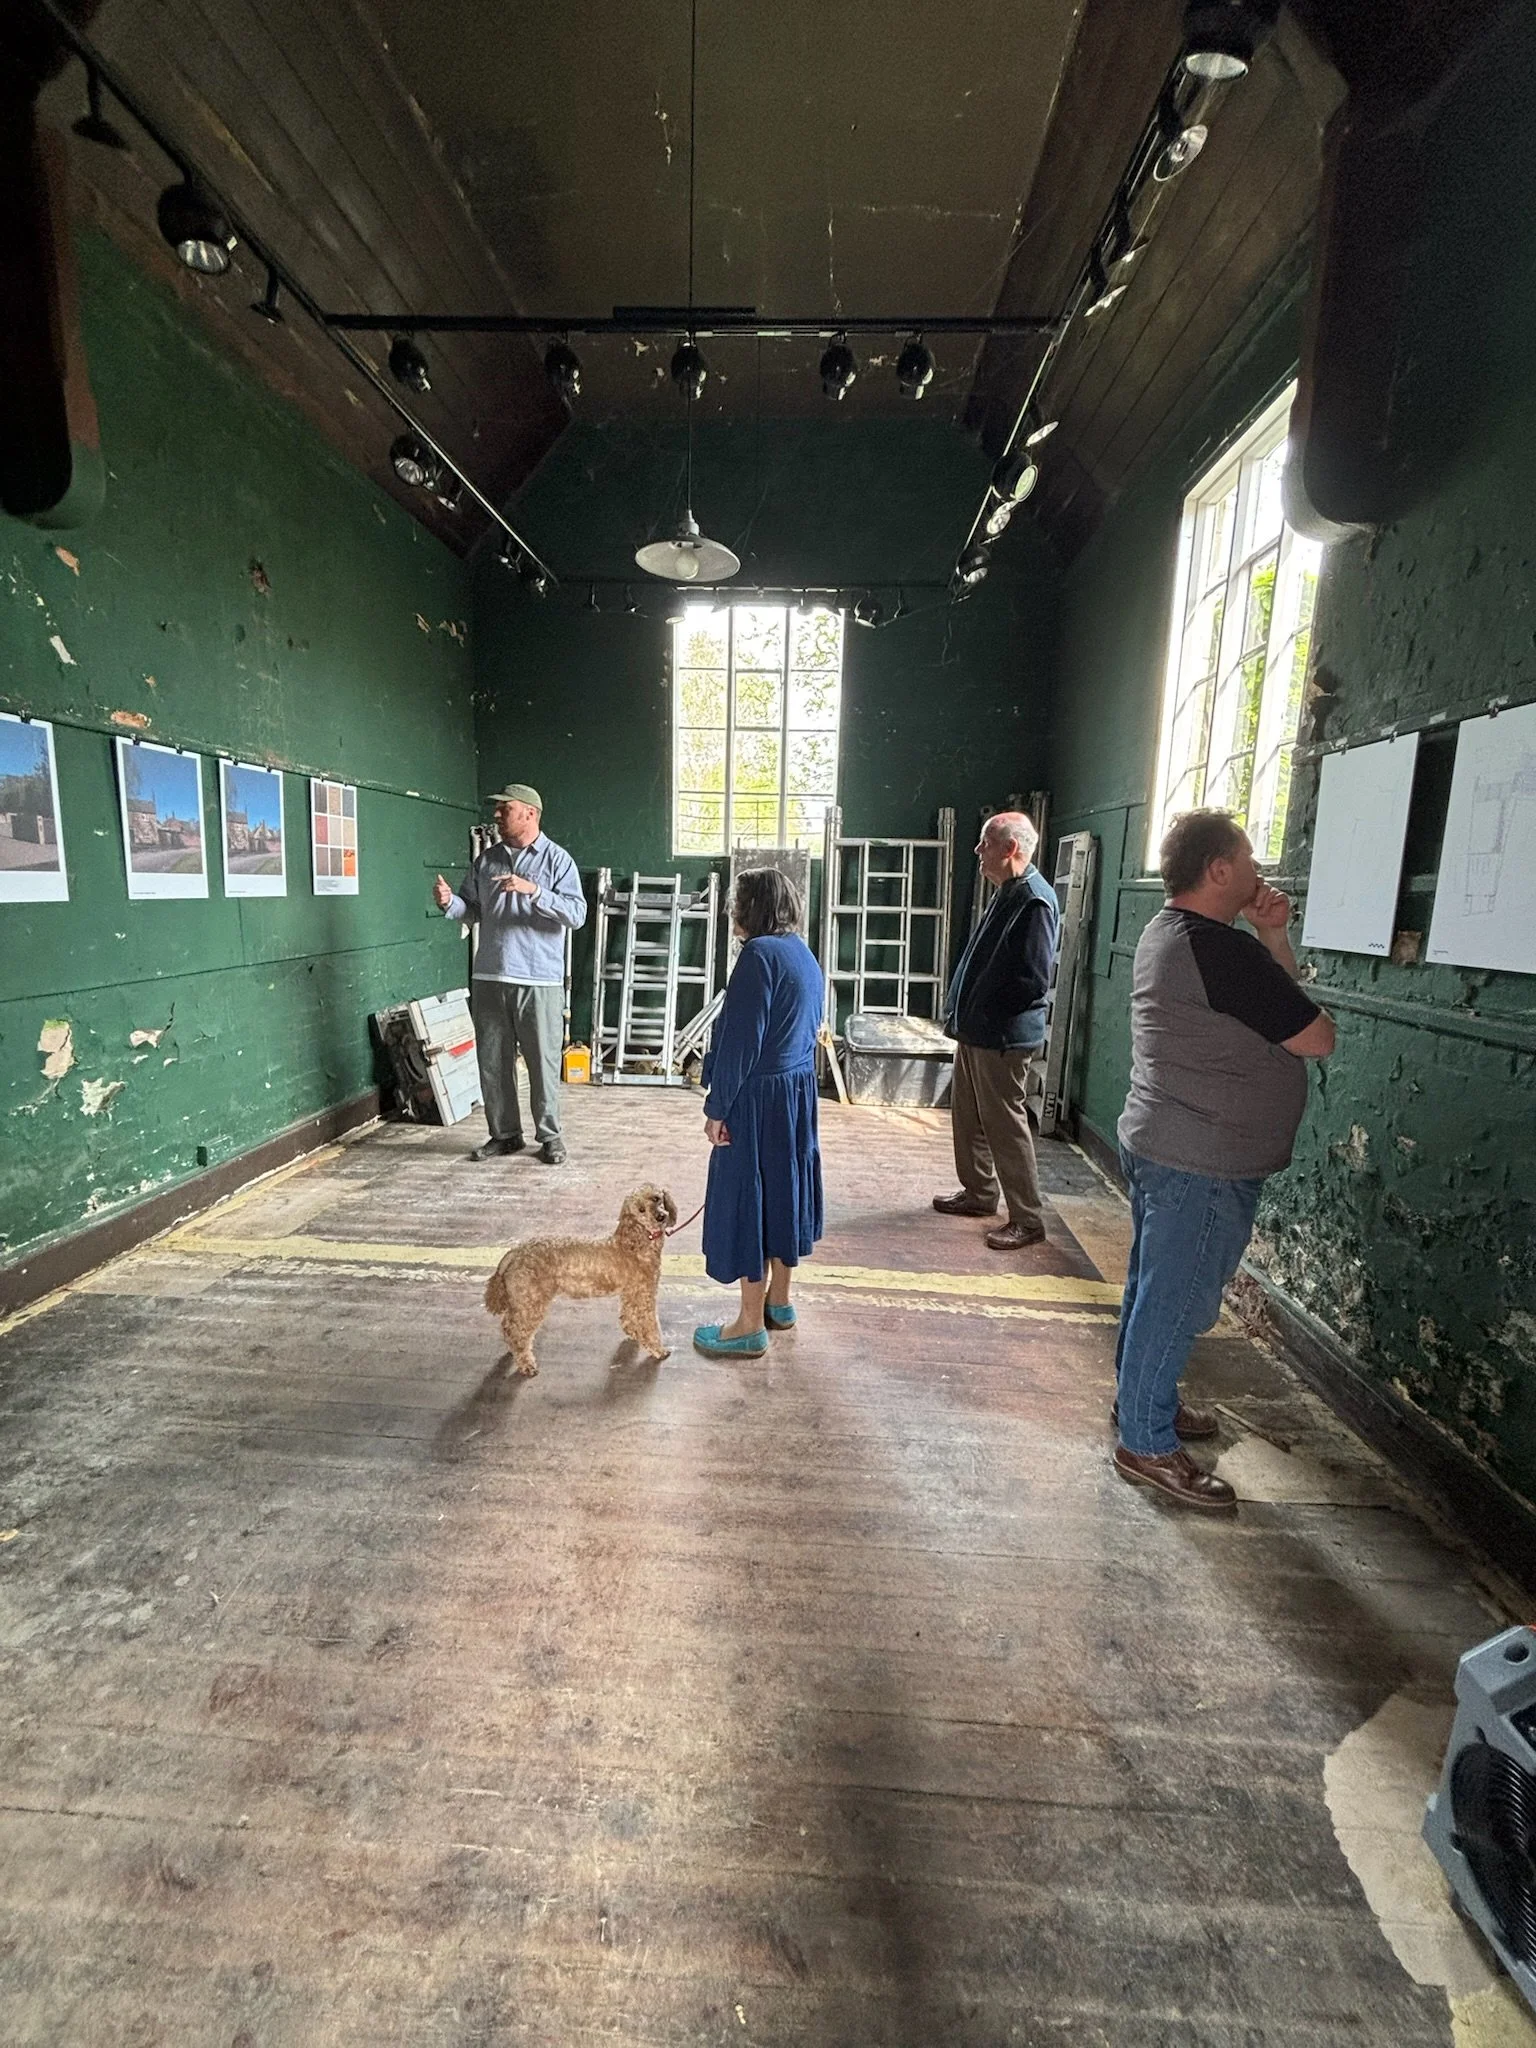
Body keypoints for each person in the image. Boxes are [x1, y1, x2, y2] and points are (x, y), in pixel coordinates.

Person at [1113, 809, 1336, 1510]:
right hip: (1201, 1160)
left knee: (1154, 1288)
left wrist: (1270, 934)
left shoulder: (1172, 933)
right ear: (1218, 870)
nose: (1257, 871)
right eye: (1246, 858)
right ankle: (1146, 1443)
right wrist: (1269, 941)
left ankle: (1142, 1404)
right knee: (1175, 1299)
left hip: (1170, 1144)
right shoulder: (1217, 950)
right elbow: (1314, 1034)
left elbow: (1275, 1007)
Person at [693, 869, 825, 1359]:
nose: (732, 911)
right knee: (784, 1189)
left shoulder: (757, 957)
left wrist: (718, 1107)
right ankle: (780, 1302)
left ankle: (749, 1325)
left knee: (749, 1195)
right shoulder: (802, 954)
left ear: (752, 908)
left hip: (757, 1098)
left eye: (737, 902)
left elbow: (741, 1046)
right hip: (795, 1093)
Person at [432, 784, 586, 1164]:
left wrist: (533, 890)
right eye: (497, 810)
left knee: (543, 1063)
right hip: (490, 977)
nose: (497, 816)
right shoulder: (487, 861)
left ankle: (550, 1137)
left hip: (539, 980)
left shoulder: (557, 861)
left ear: (531, 813)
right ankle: (504, 1135)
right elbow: (472, 909)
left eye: (506, 809)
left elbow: (577, 915)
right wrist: (449, 903)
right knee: (492, 1062)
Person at [932, 811, 1060, 1250]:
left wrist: (987, 1010)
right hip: (977, 1031)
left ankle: (1027, 1217)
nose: (977, 851)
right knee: (967, 1117)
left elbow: (1032, 981)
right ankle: (980, 1193)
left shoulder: (1034, 902)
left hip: (1001, 1037)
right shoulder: (1008, 891)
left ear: (1011, 849)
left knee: (1004, 1125)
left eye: (985, 843)